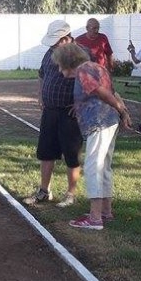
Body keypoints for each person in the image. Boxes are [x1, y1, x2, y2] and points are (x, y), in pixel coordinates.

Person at [52, 43, 133, 230]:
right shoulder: (96, 67)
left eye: (59, 65)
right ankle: (106, 211)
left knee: (93, 166)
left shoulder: (82, 71)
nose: (59, 69)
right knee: (104, 166)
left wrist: (121, 109)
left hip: (99, 122)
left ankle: (95, 218)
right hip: (108, 121)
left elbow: (102, 92)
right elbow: (111, 92)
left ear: (67, 61)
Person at [23, 20, 83, 208]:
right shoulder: (49, 54)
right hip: (50, 111)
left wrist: (80, 103)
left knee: (71, 154)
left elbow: (93, 80)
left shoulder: (81, 56)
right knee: (46, 152)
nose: (53, 46)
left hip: (70, 114)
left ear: (66, 38)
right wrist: (40, 94)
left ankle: (70, 194)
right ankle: (44, 191)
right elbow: (42, 74)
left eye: (56, 41)